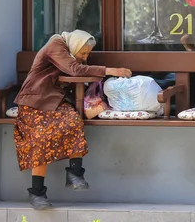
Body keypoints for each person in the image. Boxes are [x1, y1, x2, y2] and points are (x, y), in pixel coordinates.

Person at [13, 30, 132, 210]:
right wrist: (110, 70)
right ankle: (37, 192)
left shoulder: (69, 51)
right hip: (34, 101)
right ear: (74, 45)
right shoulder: (56, 45)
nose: (85, 57)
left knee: (73, 121)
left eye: (87, 54)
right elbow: (75, 70)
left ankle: (75, 173)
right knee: (40, 138)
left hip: (56, 101)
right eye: (83, 53)